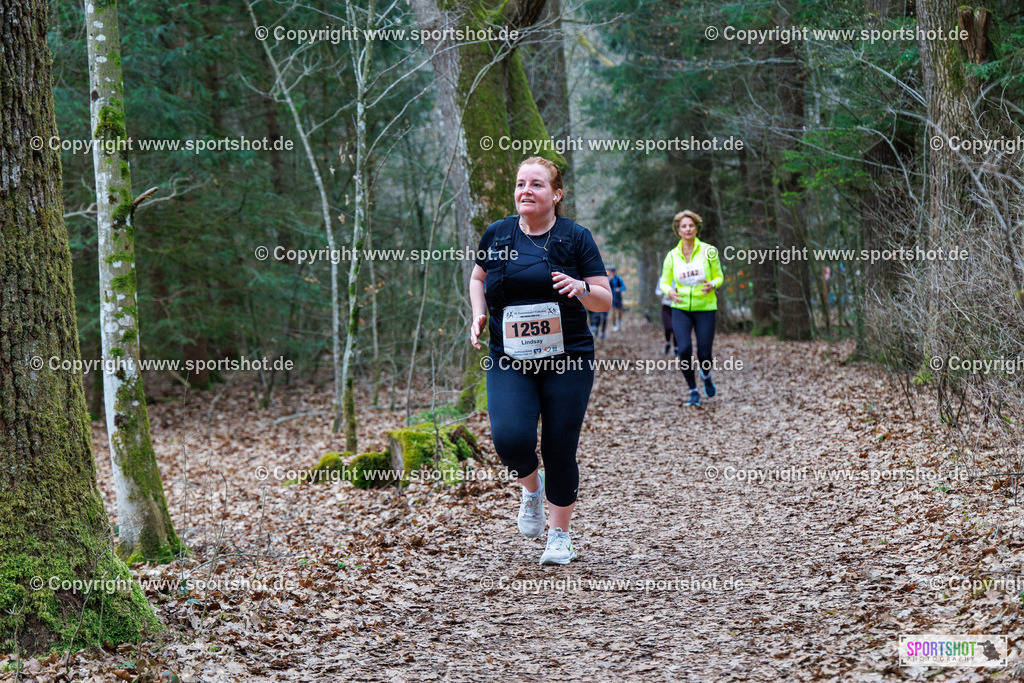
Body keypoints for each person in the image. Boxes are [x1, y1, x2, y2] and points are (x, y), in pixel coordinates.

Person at [469, 156, 611, 565]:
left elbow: (604, 300)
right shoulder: (498, 234)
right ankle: (532, 489)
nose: (526, 191)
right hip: (509, 357)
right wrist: (478, 314)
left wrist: (581, 287)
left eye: (536, 184)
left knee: (559, 447)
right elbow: (478, 277)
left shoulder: (575, 237)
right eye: (520, 184)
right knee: (510, 440)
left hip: (568, 359)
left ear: (556, 194)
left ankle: (559, 536)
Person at [660, 210, 723, 407]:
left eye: (691, 225)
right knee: (684, 349)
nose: (687, 229)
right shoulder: (672, 255)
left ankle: (706, 375)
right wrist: (669, 292)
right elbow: (664, 282)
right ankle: (693, 391)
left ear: (696, 228)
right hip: (680, 308)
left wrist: (713, 284)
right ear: (678, 231)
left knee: (704, 352)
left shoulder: (709, 251)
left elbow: (719, 276)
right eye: (684, 226)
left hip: (705, 307)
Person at [654, 279, 675, 354]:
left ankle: (676, 347)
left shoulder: (677, 277)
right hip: (666, 306)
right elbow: (657, 291)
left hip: (676, 306)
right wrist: (662, 293)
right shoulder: (662, 279)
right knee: (668, 327)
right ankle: (668, 344)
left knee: (675, 327)